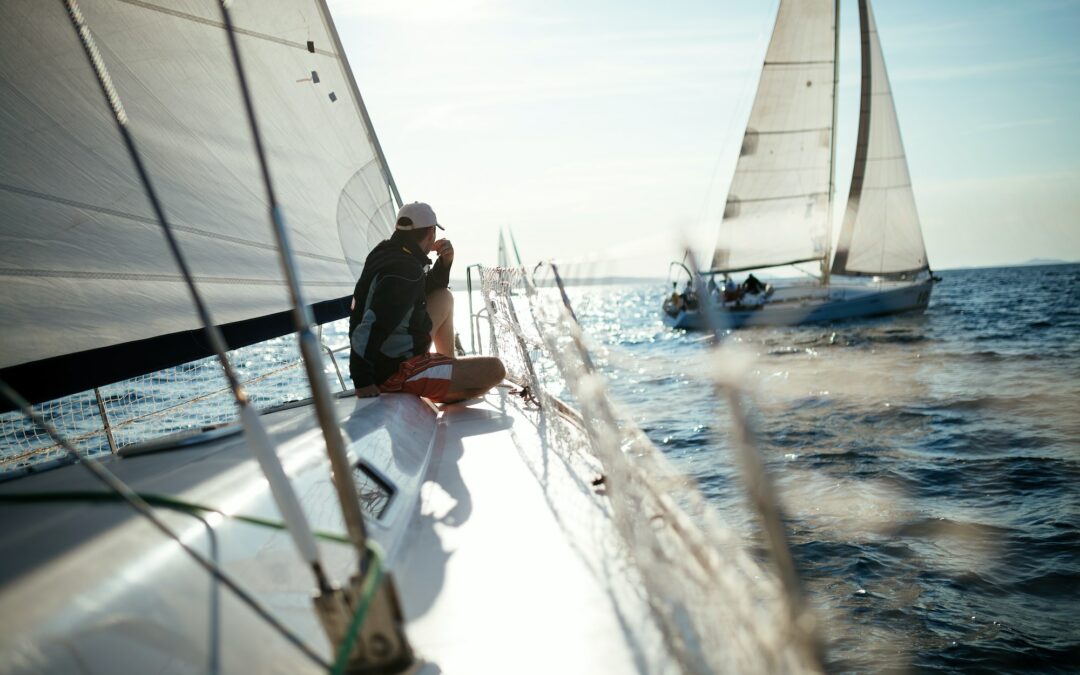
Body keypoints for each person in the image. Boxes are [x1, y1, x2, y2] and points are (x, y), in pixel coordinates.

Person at [349, 202, 505, 403]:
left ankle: (447, 366)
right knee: (495, 369)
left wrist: (445, 261)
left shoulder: (388, 253)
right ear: (431, 233)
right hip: (396, 370)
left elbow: (424, 287)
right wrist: (363, 381)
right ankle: (448, 384)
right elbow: (371, 326)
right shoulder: (404, 271)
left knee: (443, 296)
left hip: (396, 354)